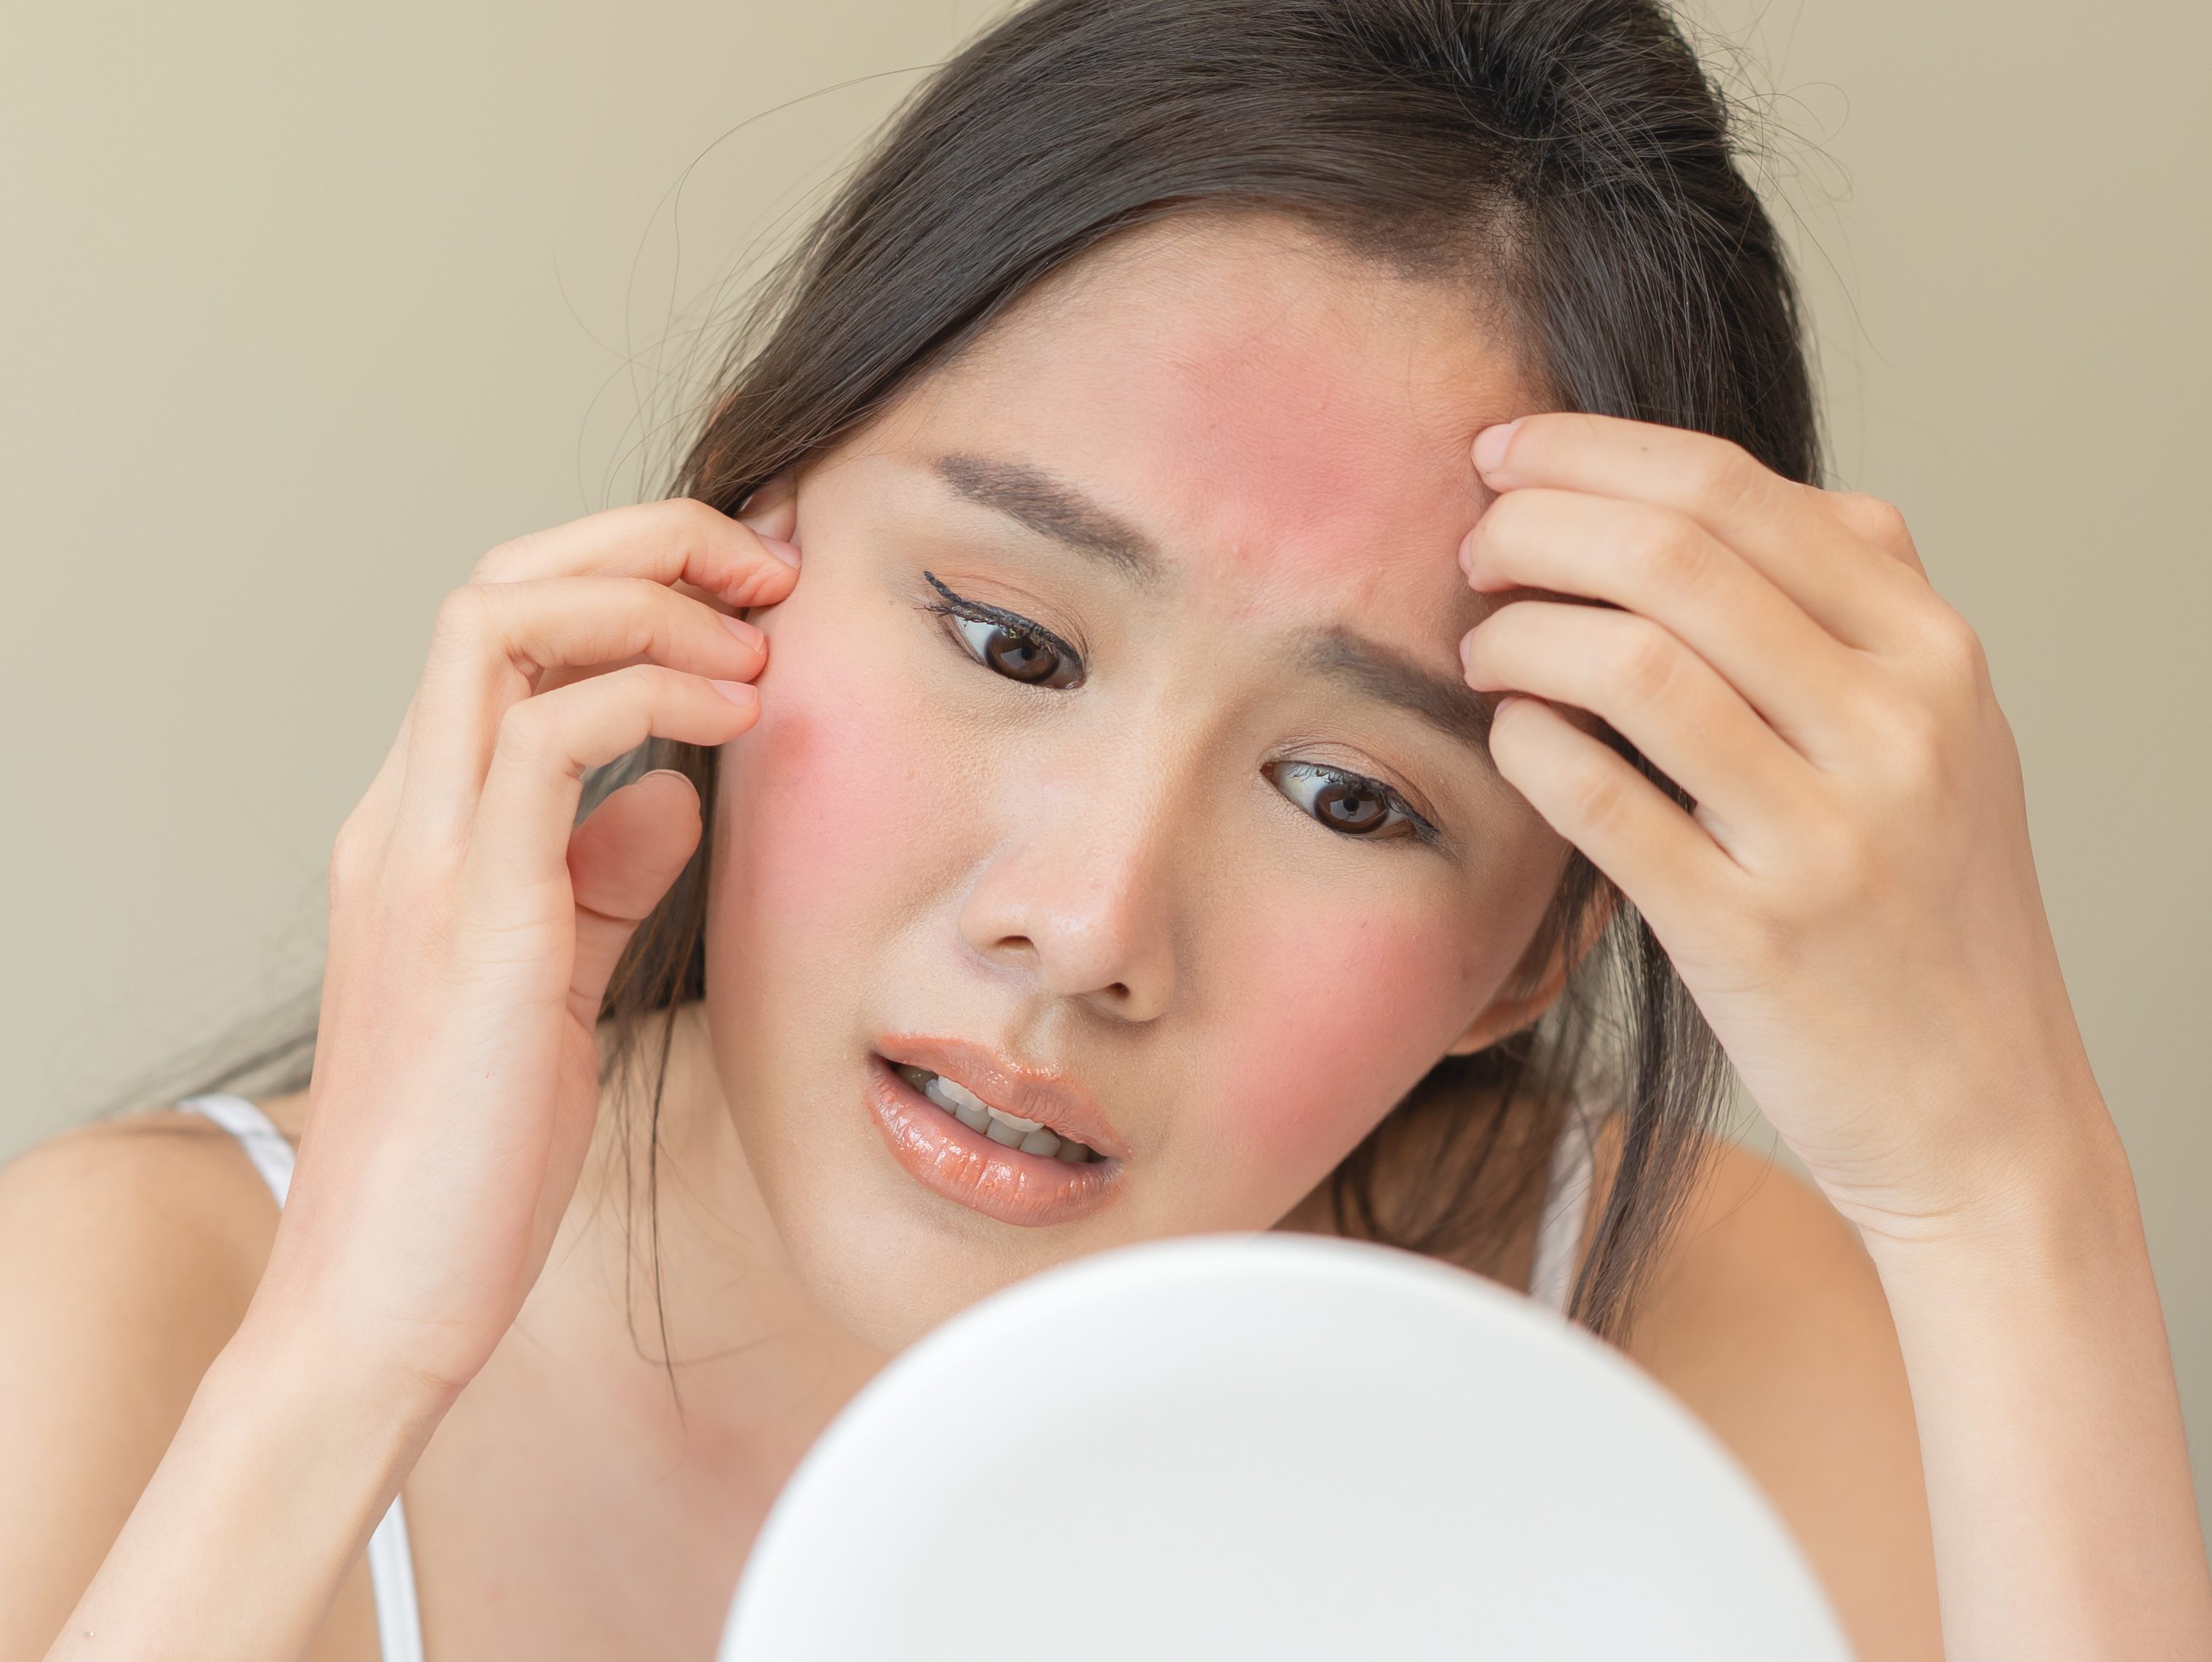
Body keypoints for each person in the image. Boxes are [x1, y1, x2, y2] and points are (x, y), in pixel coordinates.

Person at [4, 1, 2206, 1658]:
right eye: (1010, 639)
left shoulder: (1677, 1350)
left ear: (1532, 948)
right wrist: (340, 1373)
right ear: (732, 548)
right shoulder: (126, 1317)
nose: (1084, 923)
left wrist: (2008, 1191)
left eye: (1350, 793)